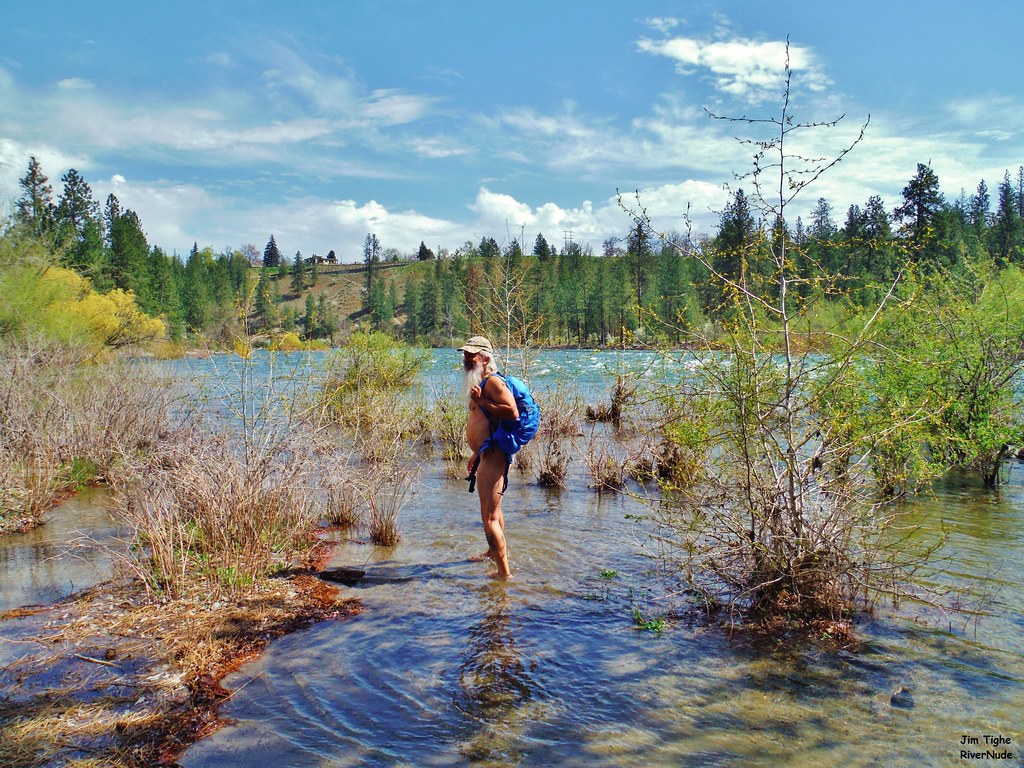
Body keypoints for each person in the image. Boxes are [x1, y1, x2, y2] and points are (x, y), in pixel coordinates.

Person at [459, 335, 517, 579]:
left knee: (489, 517)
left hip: (494, 456)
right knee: (496, 513)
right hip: (487, 453)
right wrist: (476, 452)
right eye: (465, 354)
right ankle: (493, 554)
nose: (466, 359)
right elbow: (487, 421)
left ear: (485, 358)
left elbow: (511, 412)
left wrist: (482, 400)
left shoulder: (492, 382)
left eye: (472, 355)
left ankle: (503, 575)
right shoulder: (482, 382)